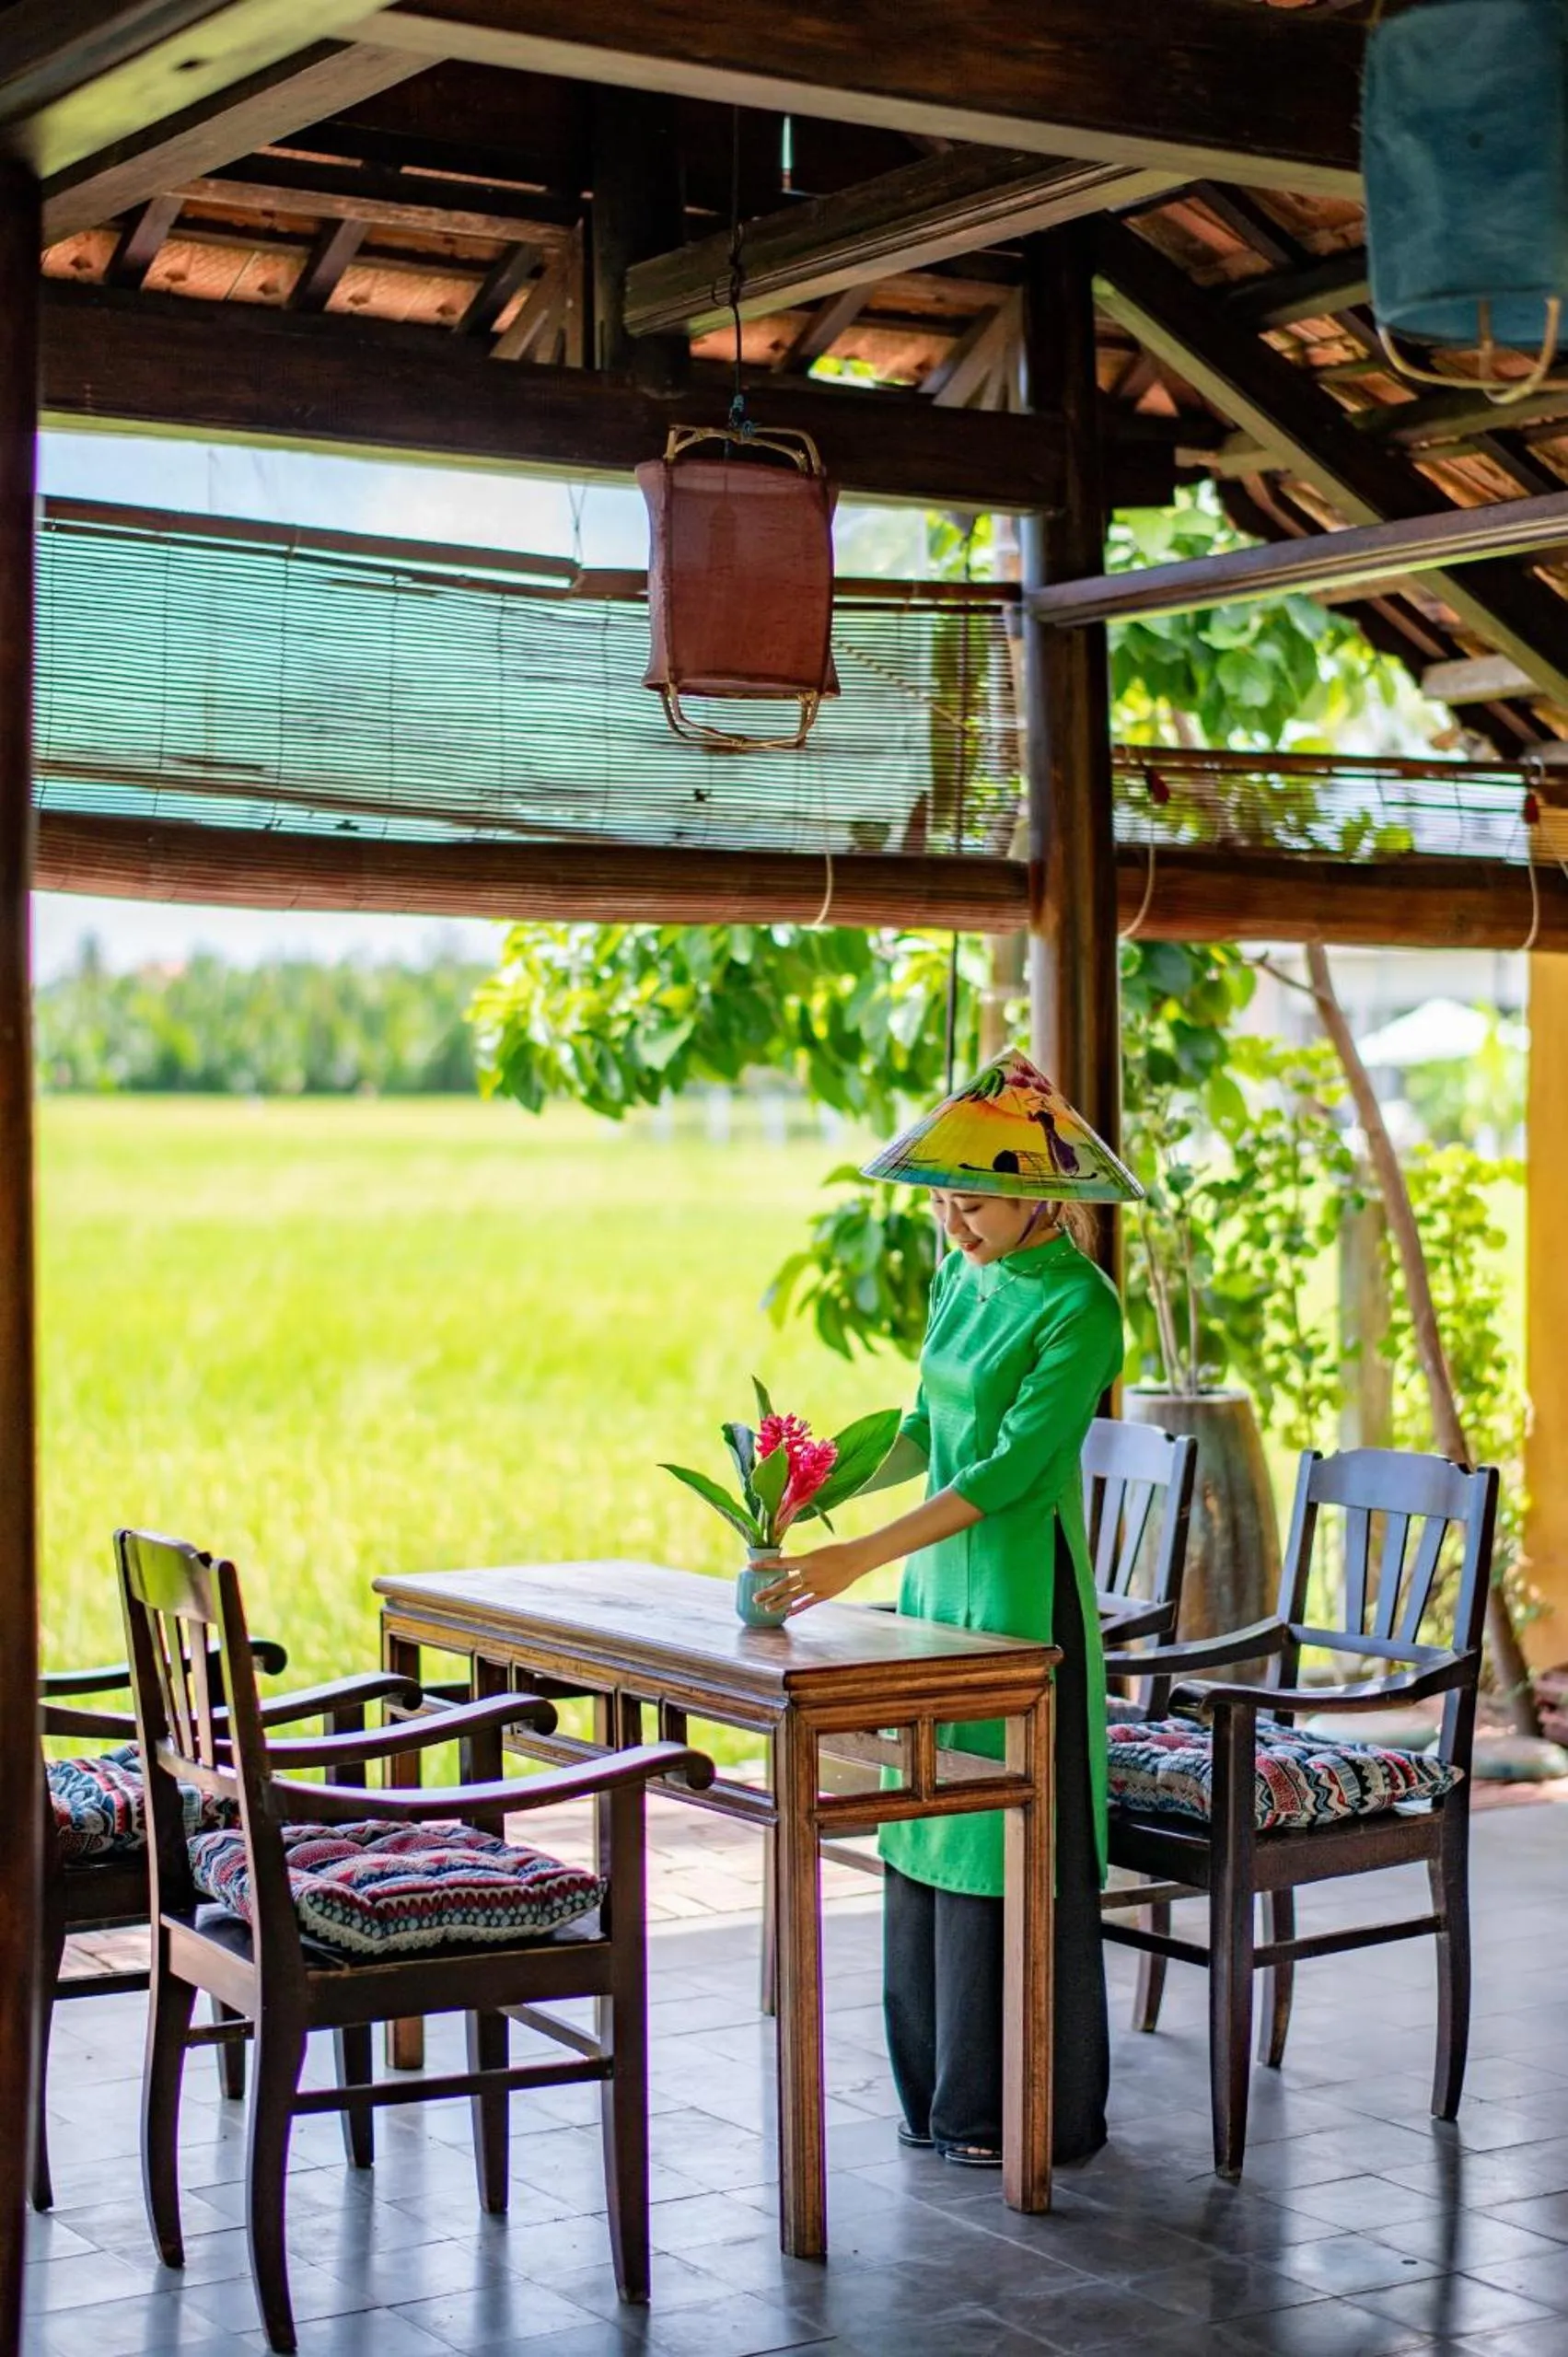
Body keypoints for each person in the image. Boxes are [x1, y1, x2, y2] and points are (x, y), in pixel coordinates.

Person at [756, 1047, 1142, 2168]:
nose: (952, 1223)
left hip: (1024, 1595)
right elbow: (929, 1430)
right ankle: (938, 2096)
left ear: (1037, 1195)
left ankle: (1023, 2104)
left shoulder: (1082, 1307)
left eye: (969, 1202)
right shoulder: (956, 1277)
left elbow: (1009, 1471)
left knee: (1010, 1835)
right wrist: (815, 1482)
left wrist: (852, 1560)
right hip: (937, 1591)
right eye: (940, 1202)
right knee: (929, 1818)